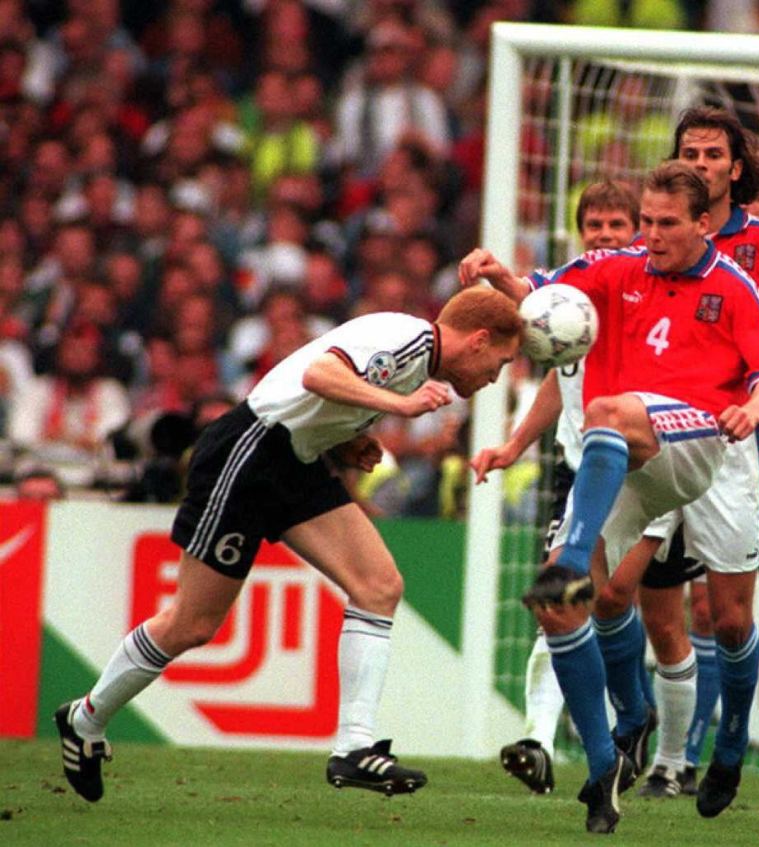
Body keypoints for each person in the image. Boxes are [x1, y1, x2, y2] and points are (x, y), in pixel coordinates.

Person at [55, 286, 523, 803]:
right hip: (249, 453)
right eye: (498, 363)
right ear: (479, 341)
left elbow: (319, 396)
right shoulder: (406, 339)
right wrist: (399, 406)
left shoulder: (418, 360)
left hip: (296, 459)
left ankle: (353, 746)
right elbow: (317, 375)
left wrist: (350, 438)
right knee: (192, 623)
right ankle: (85, 719)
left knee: (379, 585)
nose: (493, 377)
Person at [460, 160, 759, 833]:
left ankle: (729, 742)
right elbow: (543, 292)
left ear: (703, 223)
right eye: (644, 221)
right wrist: (502, 277)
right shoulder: (618, 269)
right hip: (624, 444)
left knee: (730, 621)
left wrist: (754, 406)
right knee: (557, 602)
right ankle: (603, 764)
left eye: (665, 223)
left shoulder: (731, 286)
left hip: (710, 446)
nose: (649, 235)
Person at [629, 110, 759, 801]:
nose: (703, 162)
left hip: (734, 441)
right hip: (657, 440)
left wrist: (755, 360)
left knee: (729, 616)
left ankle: (731, 736)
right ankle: (657, 745)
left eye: (714, 154)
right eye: (691, 151)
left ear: (735, 167)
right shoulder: (652, 239)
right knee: (634, 599)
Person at [476, 179, 655, 796]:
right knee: (562, 593)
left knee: (617, 602)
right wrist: (512, 444)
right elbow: (560, 378)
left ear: (639, 229)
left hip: (646, 470)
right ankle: (540, 738)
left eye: (616, 225)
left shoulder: (646, 294)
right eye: (594, 226)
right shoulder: (568, 299)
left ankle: (640, 714)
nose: (604, 236)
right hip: (579, 471)